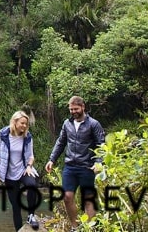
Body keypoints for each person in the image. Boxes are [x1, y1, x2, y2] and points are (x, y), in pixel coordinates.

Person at [44, 96, 105, 232]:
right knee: (67, 196)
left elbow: (101, 145)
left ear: (83, 107)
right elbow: (61, 142)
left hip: (87, 166)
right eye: (71, 109)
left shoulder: (94, 124)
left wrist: (98, 162)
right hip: (70, 166)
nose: (73, 111)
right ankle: (74, 227)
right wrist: (52, 159)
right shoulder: (67, 124)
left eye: (76, 109)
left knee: (88, 198)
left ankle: (89, 228)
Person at [0, 110, 41, 231]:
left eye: (26, 124)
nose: (24, 126)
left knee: (32, 185)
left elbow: (31, 156)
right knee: (16, 206)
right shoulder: (3, 135)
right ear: (15, 122)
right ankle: (19, 229)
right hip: (8, 174)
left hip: (23, 169)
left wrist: (29, 166)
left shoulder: (27, 136)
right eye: (22, 123)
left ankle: (31, 215)